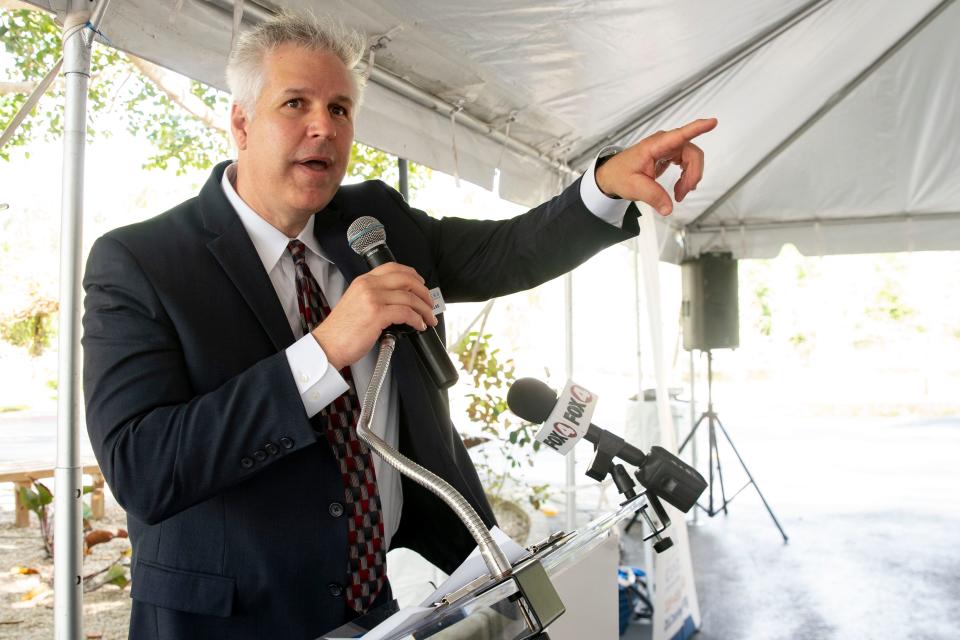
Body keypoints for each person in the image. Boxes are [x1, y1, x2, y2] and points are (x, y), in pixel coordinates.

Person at [82, 11, 716, 640]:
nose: (322, 128)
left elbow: (507, 250)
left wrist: (604, 186)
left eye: (340, 108)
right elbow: (143, 467)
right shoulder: (142, 262)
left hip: (391, 606)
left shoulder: (374, 222)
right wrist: (326, 350)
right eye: (295, 103)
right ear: (241, 122)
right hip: (234, 622)